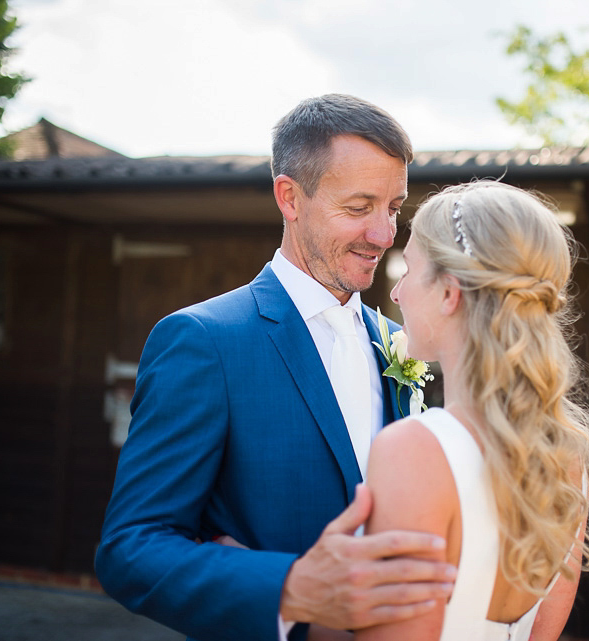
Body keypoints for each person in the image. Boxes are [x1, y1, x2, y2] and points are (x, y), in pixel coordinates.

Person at [95, 94, 456, 641]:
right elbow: (131, 547)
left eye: (393, 208)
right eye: (359, 208)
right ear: (290, 197)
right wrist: (290, 586)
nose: (384, 235)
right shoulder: (204, 341)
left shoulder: (398, 342)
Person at [355, 181, 589, 641]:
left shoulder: (415, 450)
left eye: (408, 268)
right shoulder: (567, 449)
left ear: (449, 293)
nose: (396, 293)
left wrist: (297, 600)